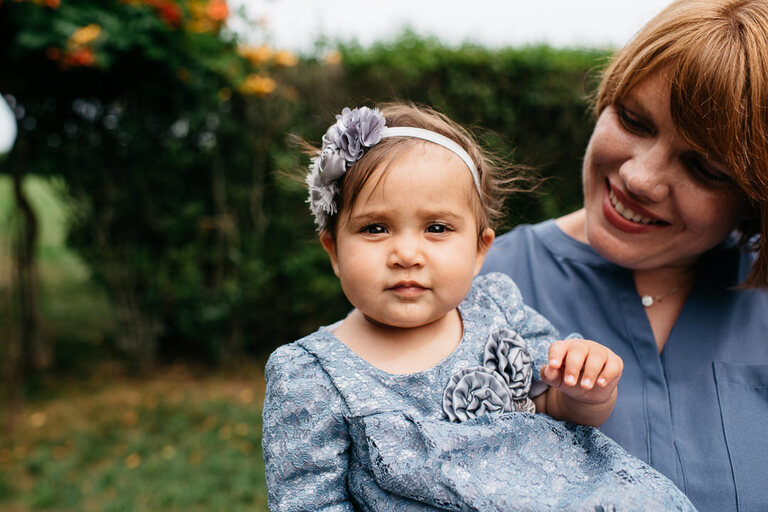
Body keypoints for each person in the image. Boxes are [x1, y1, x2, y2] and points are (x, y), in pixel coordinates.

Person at [262, 103, 695, 511]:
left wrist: (587, 391)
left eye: (437, 228)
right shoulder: (312, 375)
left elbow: (555, 410)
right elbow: (309, 501)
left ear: (479, 250)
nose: (407, 253)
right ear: (334, 250)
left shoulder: (498, 308)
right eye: (375, 228)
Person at [481, 1, 768, 511]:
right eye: (634, 121)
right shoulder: (477, 285)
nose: (639, 178)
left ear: (753, 201)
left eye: (704, 169)